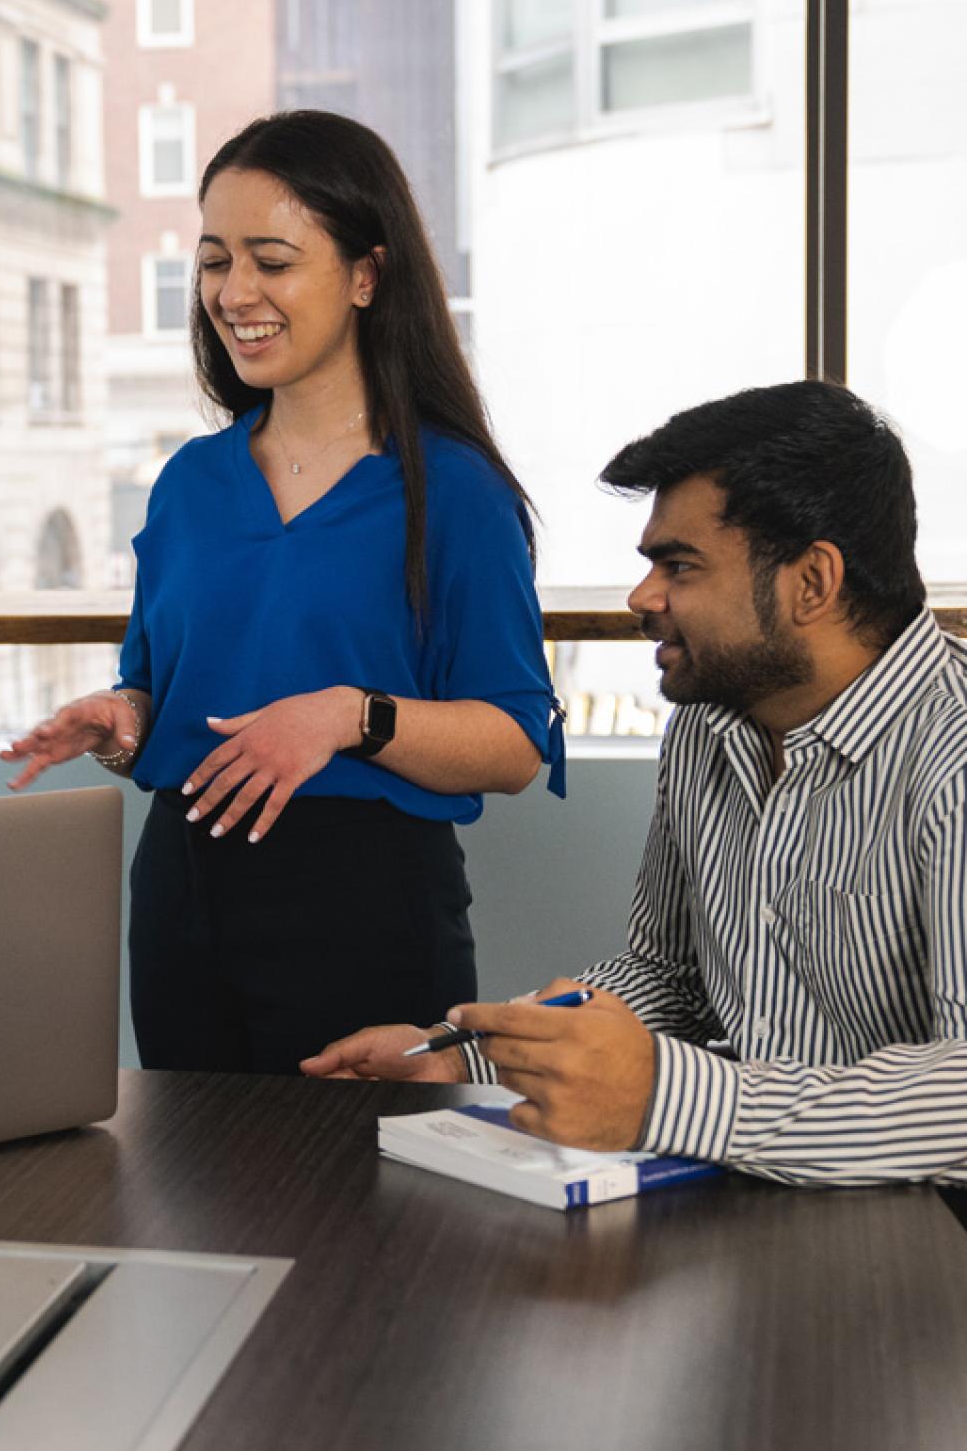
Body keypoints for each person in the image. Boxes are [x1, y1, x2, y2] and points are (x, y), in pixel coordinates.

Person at [1, 111, 564, 1076]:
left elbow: (515, 745)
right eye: (215, 261)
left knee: (367, 1213)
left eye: (272, 259)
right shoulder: (186, 485)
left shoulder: (456, 491)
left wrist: (349, 717)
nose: (234, 293)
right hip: (183, 899)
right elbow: (158, 686)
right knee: (192, 1202)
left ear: (366, 275)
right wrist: (123, 716)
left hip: (367, 911)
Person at [304, 380, 967, 1188]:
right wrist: (466, 1058)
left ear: (812, 583)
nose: (642, 598)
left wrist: (670, 1097)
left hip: (927, 1240)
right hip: (755, 1212)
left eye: (679, 565)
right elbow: (668, 977)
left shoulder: (952, 755)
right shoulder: (708, 725)